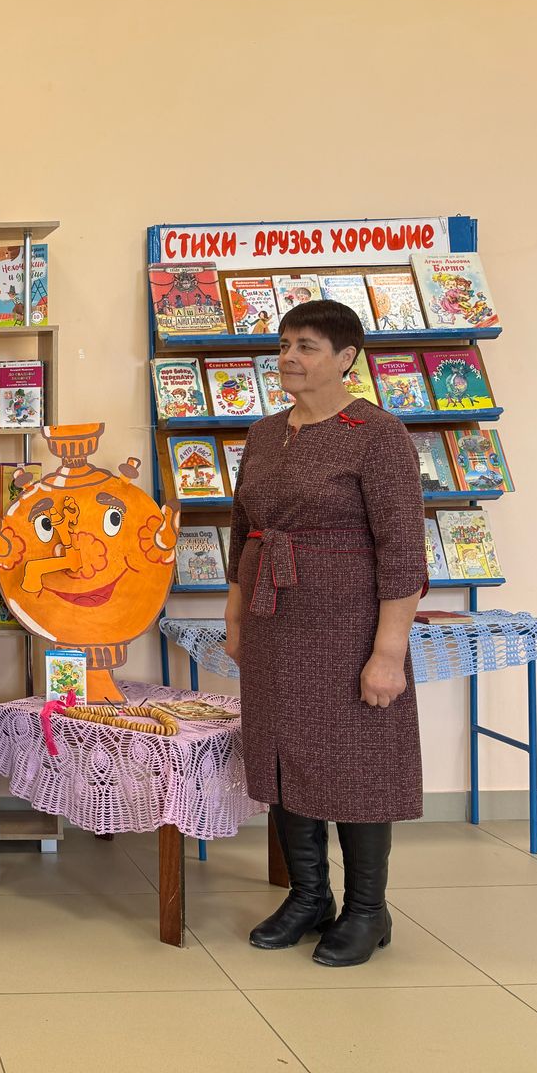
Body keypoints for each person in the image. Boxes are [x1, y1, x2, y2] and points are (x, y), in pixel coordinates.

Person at [225, 299, 426, 968]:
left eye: (306, 346)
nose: (289, 357)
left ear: (346, 358)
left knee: (357, 758)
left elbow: (403, 553)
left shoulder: (378, 434)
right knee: (283, 754)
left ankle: (368, 909)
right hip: (271, 624)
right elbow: (243, 533)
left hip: (348, 629)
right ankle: (309, 896)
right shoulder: (263, 434)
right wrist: (234, 617)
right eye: (284, 345)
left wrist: (388, 653)